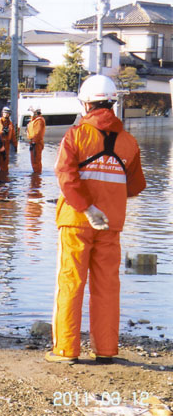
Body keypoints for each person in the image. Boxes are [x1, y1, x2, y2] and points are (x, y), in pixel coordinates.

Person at [46, 75, 146, 364]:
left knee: (71, 283)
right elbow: (135, 186)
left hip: (77, 221)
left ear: (86, 103)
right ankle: (105, 350)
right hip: (110, 225)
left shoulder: (76, 135)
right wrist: (107, 201)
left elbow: (65, 175)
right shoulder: (129, 142)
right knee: (106, 287)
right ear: (113, 102)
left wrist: (88, 207)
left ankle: (65, 350)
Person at [0, 106, 18, 176]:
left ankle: (3, 179)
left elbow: (13, 136)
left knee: (4, 165)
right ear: (2, 113)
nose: (6, 115)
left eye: (8, 113)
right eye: (5, 113)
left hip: (6, 145)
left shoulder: (10, 124)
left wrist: (15, 146)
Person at [27, 108, 45, 174]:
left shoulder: (39, 120)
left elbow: (38, 133)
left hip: (36, 143)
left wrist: (34, 142)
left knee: (36, 161)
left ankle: (37, 177)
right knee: (34, 161)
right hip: (33, 143)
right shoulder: (34, 120)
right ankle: (36, 175)